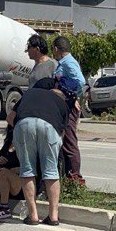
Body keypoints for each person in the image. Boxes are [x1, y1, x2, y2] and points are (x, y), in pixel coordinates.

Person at [8, 77, 69, 225]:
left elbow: (10, 118)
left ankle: (33, 215)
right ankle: (53, 216)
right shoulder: (61, 102)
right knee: (51, 171)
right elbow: (62, 131)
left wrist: (19, 131)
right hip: (50, 127)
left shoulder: (29, 93)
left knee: (27, 170)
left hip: (24, 123)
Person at [51, 36, 84, 184]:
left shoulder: (69, 62)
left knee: (70, 141)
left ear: (56, 49)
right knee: (63, 142)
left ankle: (75, 177)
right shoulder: (63, 62)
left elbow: (80, 82)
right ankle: (65, 175)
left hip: (68, 106)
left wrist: (68, 95)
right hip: (63, 106)